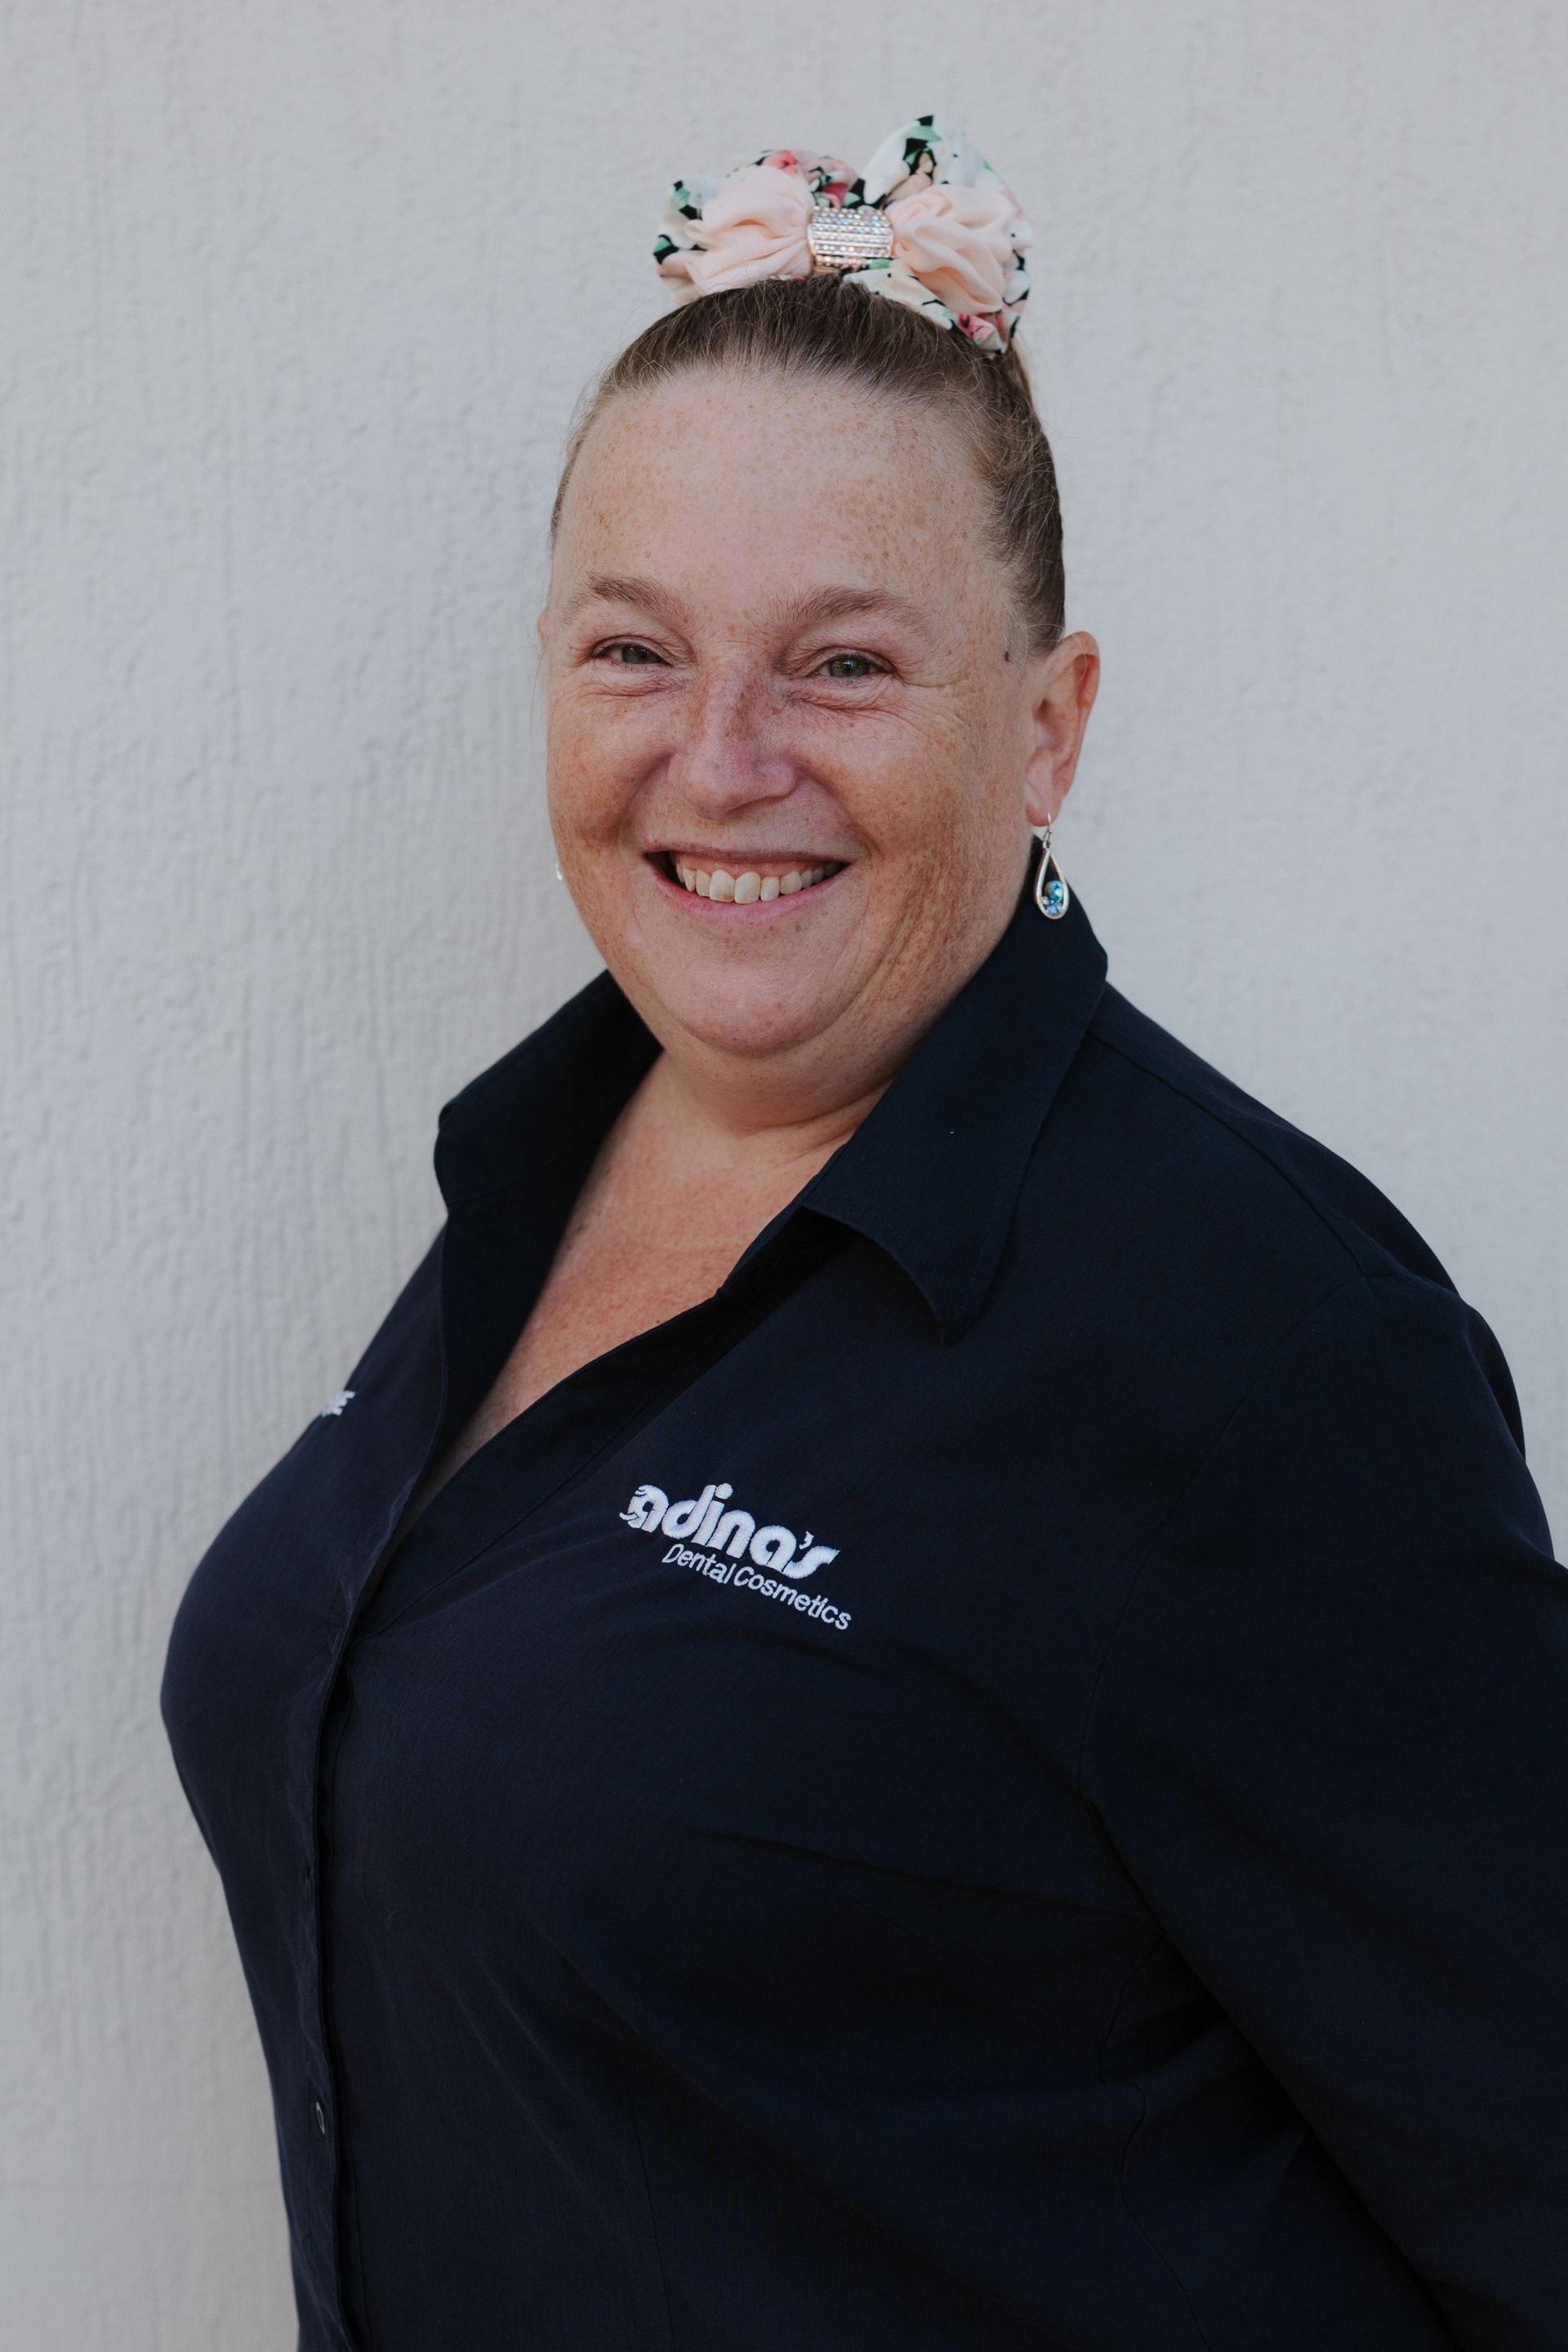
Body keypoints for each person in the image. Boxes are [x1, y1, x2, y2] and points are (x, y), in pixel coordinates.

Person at [162, 117, 1568, 2352]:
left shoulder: (1263, 1343)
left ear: (1048, 727)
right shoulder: (551, 1161)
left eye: (841, 666)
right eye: (636, 649)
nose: (722, 761)